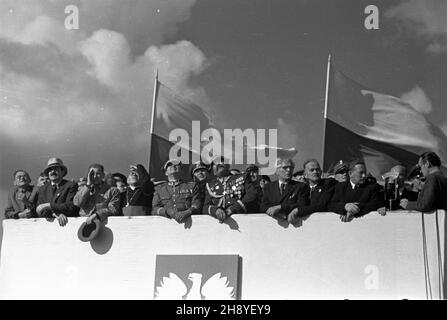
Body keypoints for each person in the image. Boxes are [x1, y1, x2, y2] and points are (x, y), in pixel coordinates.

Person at [202, 156, 260, 222]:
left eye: (221, 161)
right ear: (213, 169)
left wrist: (232, 209)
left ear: (228, 165)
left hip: (243, 220)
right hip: (218, 226)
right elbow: (205, 207)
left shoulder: (242, 177)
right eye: (215, 164)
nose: (218, 164)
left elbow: (252, 195)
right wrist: (216, 211)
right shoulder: (209, 185)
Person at [36, 158, 79, 226]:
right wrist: (56, 214)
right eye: (50, 170)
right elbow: (40, 209)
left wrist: (49, 205)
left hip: (68, 226)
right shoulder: (43, 189)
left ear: (62, 171)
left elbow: (70, 207)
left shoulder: (71, 185)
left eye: (56, 169)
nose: (52, 172)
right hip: (48, 227)